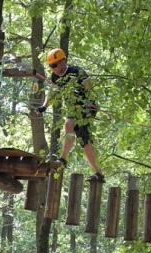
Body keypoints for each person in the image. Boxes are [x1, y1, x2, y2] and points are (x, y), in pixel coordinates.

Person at [36, 48, 105, 183]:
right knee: (69, 127)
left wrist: (91, 102)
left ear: (63, 62)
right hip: (73, 109)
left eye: (54, 65)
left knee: (82, 138)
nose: (53, 69)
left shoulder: (76, 72)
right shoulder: (55, 77)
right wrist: (44, 106)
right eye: (51, 66)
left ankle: (96, 172)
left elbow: (90, 87)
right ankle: (64, 159)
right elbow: (52, 93)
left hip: (85, 108)